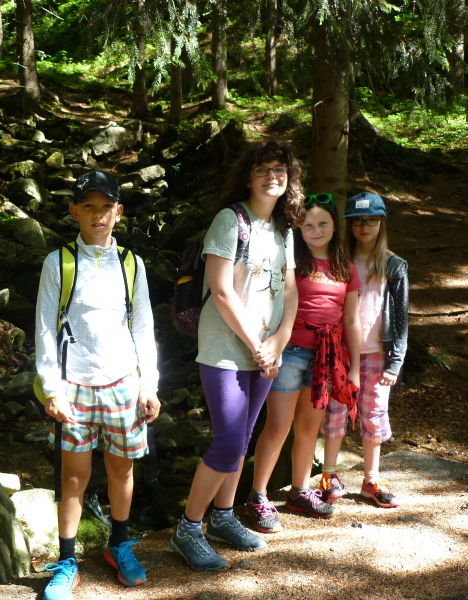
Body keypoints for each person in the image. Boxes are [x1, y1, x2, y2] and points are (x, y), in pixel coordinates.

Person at [170, 140, 304, 571]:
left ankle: (223, 517)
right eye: (262, 169)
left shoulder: (284, 229)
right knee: (228, 441)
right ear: (248, 177)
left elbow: (291, 289)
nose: (271, 176)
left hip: (267, 351)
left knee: (243, 440)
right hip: (226, 350)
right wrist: (258, 346)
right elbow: (222, 291)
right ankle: (188, 527)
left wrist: (281, 339)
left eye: (279, 169)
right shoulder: (230, 220)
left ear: (289, 178)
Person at [35, 170, 161, 600]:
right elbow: (45, 329)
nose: (98, 214)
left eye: (106, 206)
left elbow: (142, 326)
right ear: (74, 211)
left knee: (121, 469)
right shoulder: (58, 262)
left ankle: (118, 544)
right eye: (88, 206)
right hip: (74, 385)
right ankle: (67, 561)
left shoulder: (132, 263)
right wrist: (52, 388)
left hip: (124, 381)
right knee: (74, 476)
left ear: (118, 211)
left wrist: (149, 384)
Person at [246, 192, 361, 533]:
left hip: (326, 357)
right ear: (298, 229)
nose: (316, 231)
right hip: (291, 351)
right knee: (278, 426)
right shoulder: (291, 262)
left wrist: (354, 368)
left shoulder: (345, 267)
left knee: (310, 428)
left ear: (334, 226)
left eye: (323, 223)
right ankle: (257, 496)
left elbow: (351, 320)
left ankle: (299, 491)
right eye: (308, 225)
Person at [319, 192, 408, 508]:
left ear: (381, 223)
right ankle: (329, 475)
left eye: (371, 220)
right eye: (357, 221)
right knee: (335, 411)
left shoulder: (393, 265)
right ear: (349, 226)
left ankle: (371, 480)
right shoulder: (338, 259)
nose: (364, 227)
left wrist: (396, 362)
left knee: (374, 412)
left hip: (377, 353)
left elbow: (401, 318)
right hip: (339, 352)